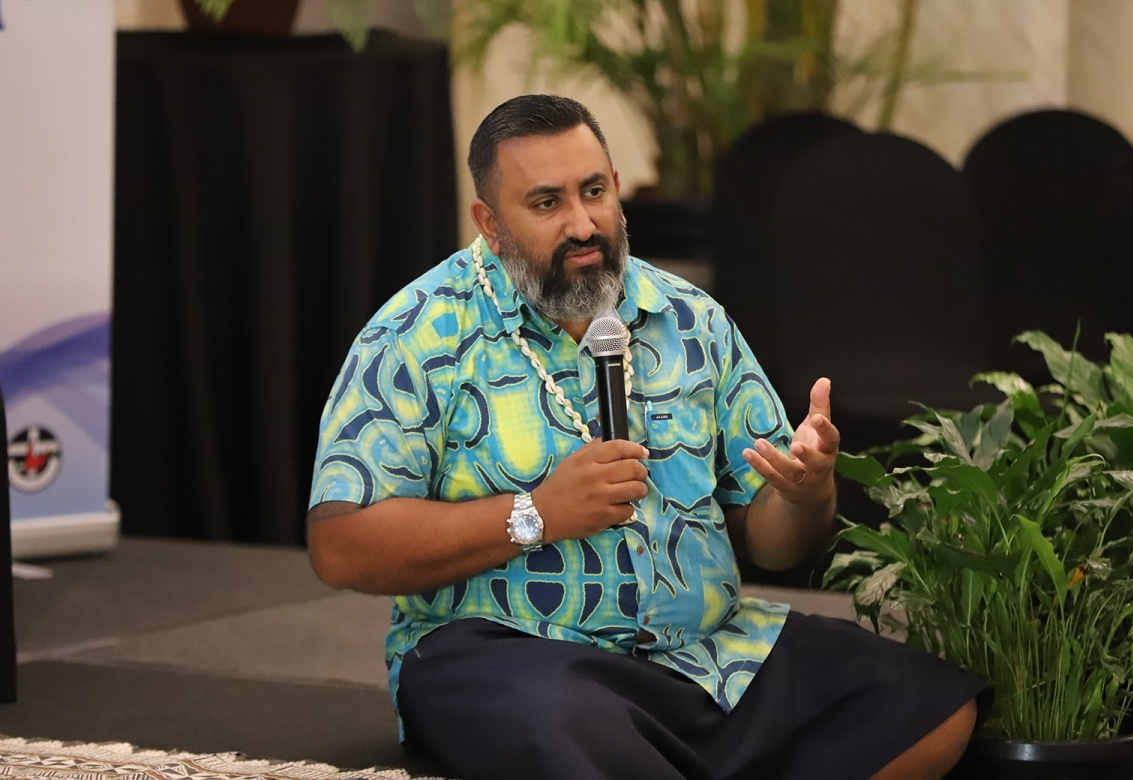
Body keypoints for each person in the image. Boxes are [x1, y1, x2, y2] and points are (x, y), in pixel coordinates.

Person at [307, 94, 984, 780]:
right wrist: (534, 514)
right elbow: (340, 545)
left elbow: (774, 543)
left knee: (926, 704)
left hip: (704, 654)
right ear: (491, 224)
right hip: (510, 654)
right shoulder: (421, 333)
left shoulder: (690, 318)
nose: (582, 224)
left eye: (594, 191)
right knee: (566, 727)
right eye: (546, 204)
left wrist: (806, 494)